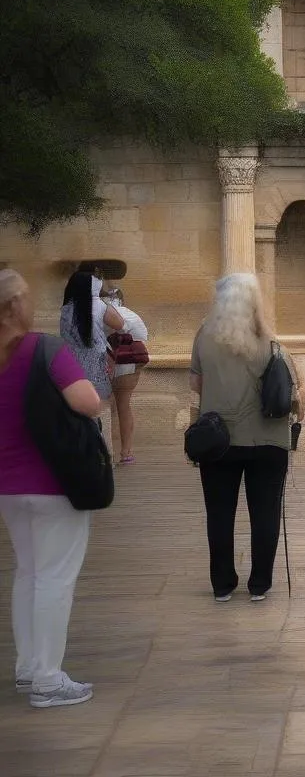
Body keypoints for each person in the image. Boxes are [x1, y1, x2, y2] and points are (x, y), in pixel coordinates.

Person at [0, 269, 103, 708]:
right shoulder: (44, 348)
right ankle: (47, 678)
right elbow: (89, 402)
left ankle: (27, 667)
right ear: (15, 306)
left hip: (8, 484)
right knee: (55, 578)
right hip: (53, 482)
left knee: (28, 573)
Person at [189, 273, 292, 603]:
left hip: (218, 441)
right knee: (265, 513)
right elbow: (293, 392)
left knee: (219, 513)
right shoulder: (272, 342)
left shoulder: (204, 337)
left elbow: (196, 388)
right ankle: (259, 584)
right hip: (268, 442)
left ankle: (222, 584)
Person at [59, 270, 123, 442]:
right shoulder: (99, 306)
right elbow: (119, 322)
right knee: (99, 415)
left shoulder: (65, 309)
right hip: (96, 369)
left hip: (71, 369)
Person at [101, 287, 149, 465]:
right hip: (134, 360)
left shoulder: (103, 312)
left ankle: (109, 450)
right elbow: (143, 335)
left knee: (108, 406)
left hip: (112, 358)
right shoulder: (131, 313)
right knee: (123, 405)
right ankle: (126, 452)